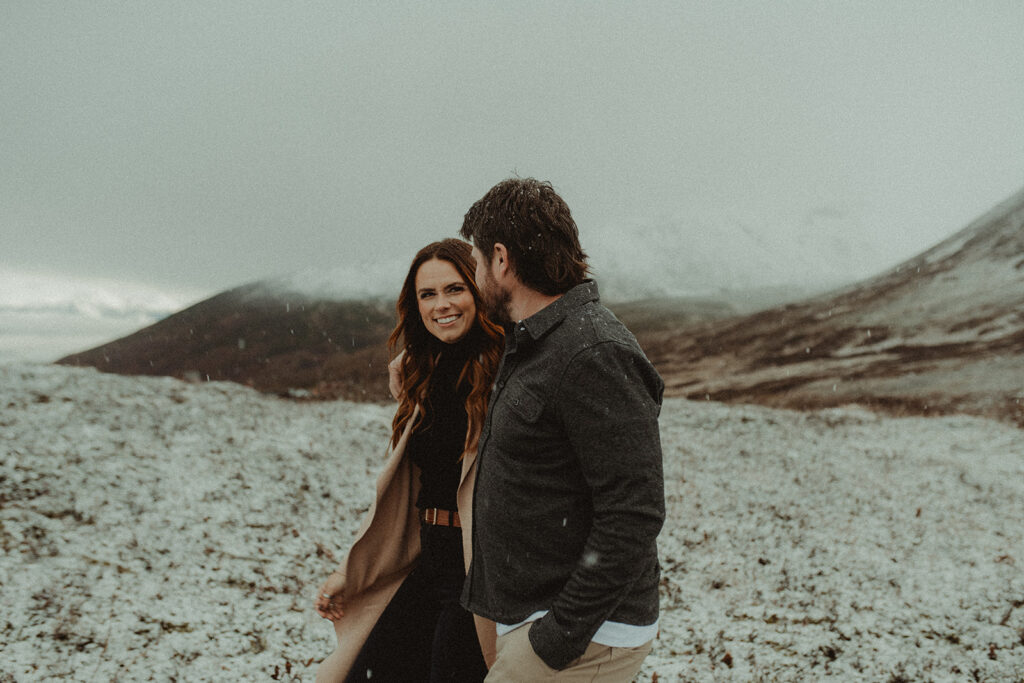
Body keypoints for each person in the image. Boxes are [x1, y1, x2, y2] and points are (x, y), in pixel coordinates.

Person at [457, 178, 665, 681]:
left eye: (477, 260)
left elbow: (634, 512)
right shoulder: (536, 341)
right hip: (532, 619)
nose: (475, 273)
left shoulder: (593, 353)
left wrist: (558, 636)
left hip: (581, 637)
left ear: (501, 259)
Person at [314, 238, 504, 682]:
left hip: (482, 571)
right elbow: (403, 494)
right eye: (428, 294)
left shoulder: (506, 373)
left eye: (455, 289)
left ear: (478, 290)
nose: (442, 305)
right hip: (427, 560)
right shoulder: (419, 372)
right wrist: (352, 571)